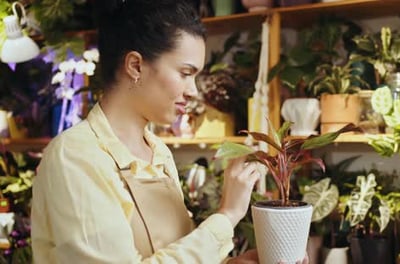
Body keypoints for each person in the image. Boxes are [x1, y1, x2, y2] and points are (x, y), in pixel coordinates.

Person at [31, 0, 263, 263]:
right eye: (185, 73)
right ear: (136, 66)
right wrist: (228, 215)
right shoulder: (74, 156)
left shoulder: (158, 153)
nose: (193, 91)